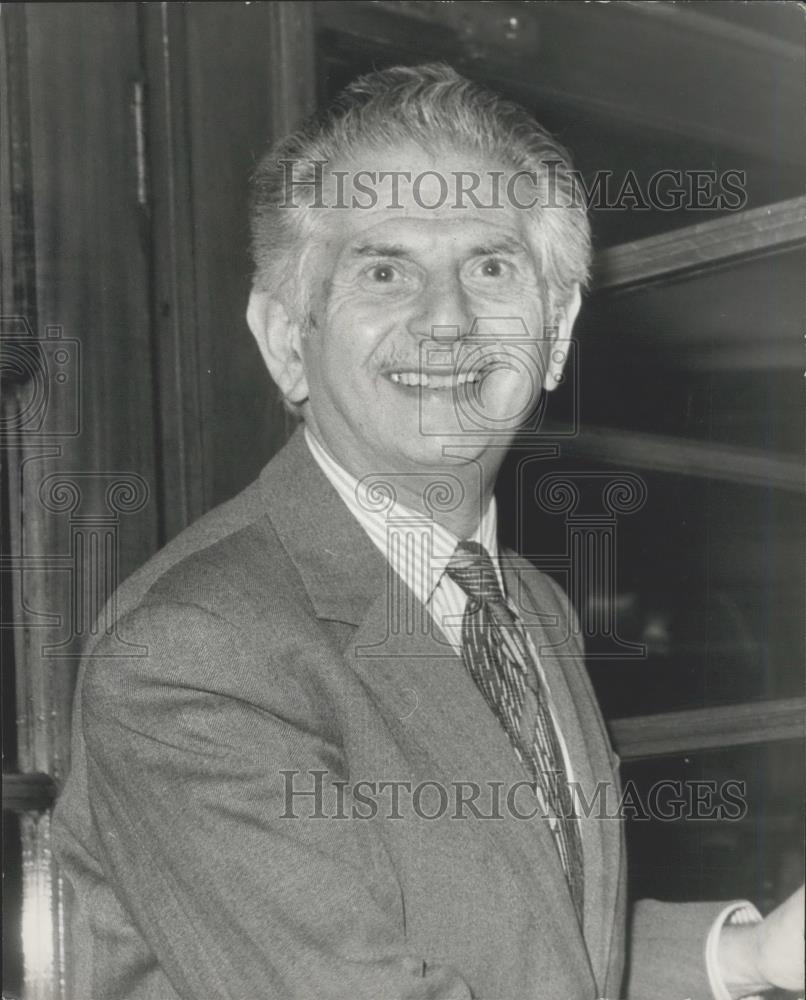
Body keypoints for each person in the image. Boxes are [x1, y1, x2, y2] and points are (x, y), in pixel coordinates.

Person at [54, 63, 803, 1000]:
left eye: (491, 267)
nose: (447, 320)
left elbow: (529, 937)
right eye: (384, 269)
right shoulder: (195, 651)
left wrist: (746, 957)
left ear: (557, 332)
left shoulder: (527, 604)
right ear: (288, 338)